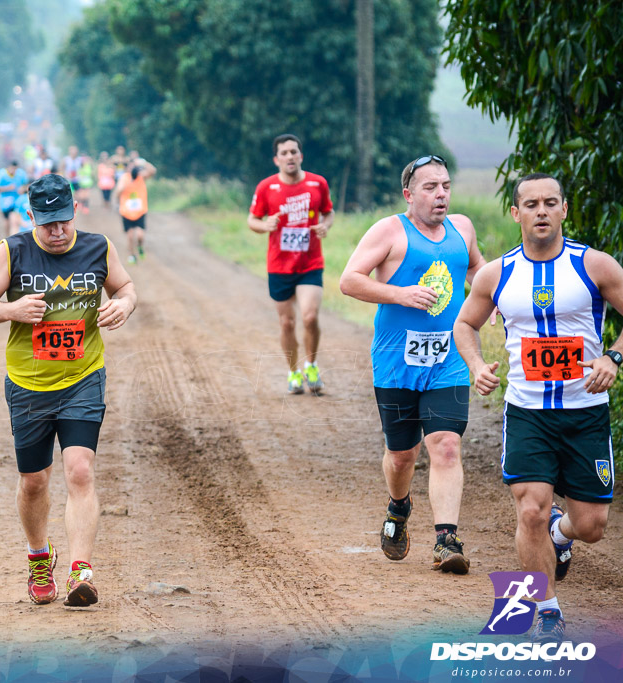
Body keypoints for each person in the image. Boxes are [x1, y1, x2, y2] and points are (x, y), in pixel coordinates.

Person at [454, 173, 622, 643]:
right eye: (531, 204)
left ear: (565, 209)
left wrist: (613, 356)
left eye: (551, 202)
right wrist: (474, 365)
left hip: (585, 411)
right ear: (516, 213)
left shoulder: (595, 265)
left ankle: (562, 534)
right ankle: (546, 610)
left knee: (592, 526)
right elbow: (464, 325)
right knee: (530, 511)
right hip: (526, 411)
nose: (541, 211)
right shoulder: (497, 274)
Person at [0, 174, 136, 608]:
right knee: (34, 481)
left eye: (63, 221)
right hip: (28, 385)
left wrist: (123, 304)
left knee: (79, 470)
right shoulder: (13, 251)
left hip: (82, 377)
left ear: (75, 210)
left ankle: (82, 571)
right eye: (47, 224)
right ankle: (39, 557)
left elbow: (125, 286)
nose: (57, 232)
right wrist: (11, 309)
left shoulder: (99, 247)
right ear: (32, 218)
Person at [339, 154, 487, 575]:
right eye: (430, 187)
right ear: (408, 194)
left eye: (446, 186)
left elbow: (478, 269)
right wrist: (400, 293)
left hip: (449, 360)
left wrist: (489, 299)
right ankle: (398, 507)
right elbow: (350, 280)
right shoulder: (389, 230)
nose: (441, 194)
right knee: (402, 455)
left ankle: (446, 540)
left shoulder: (462, 228)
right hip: (396, 363)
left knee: (445, 445)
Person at [248, 134, 335, 395]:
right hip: (279, 266)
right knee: (287, 323)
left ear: (301, 156)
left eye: (293, 152)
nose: (289, 157)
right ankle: (293, 372)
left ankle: (311, 365)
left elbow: (329, 212)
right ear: (276, 159)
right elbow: (252, 220)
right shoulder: (266, 187)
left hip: (310, 263)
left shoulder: (317, 183)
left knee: (309, 316)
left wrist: (324, 226)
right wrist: (266, 225)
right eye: (284, 153)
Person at [114, 161, 157, 265]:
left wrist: (143, 162)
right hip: (126, 212)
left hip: (140, 211)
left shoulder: (141, 176)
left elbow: (153, 171)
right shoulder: (124, 178)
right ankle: (131, 255)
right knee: (129, 236)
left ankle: (140, 247)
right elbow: (117, 193)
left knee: (140, 235)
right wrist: (124, 187)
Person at [0, 160, 28, 236]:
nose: (13, 171)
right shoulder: (1, 174)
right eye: (12, 169)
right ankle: (7, 236)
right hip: (5, 202)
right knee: (7, 221)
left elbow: (26, 184)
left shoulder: (21, 173)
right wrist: (7, 188)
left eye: (15, 169)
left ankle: (15, 236)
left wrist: (22, 189)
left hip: (17, 201)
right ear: (8, 168)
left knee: (15, 220)